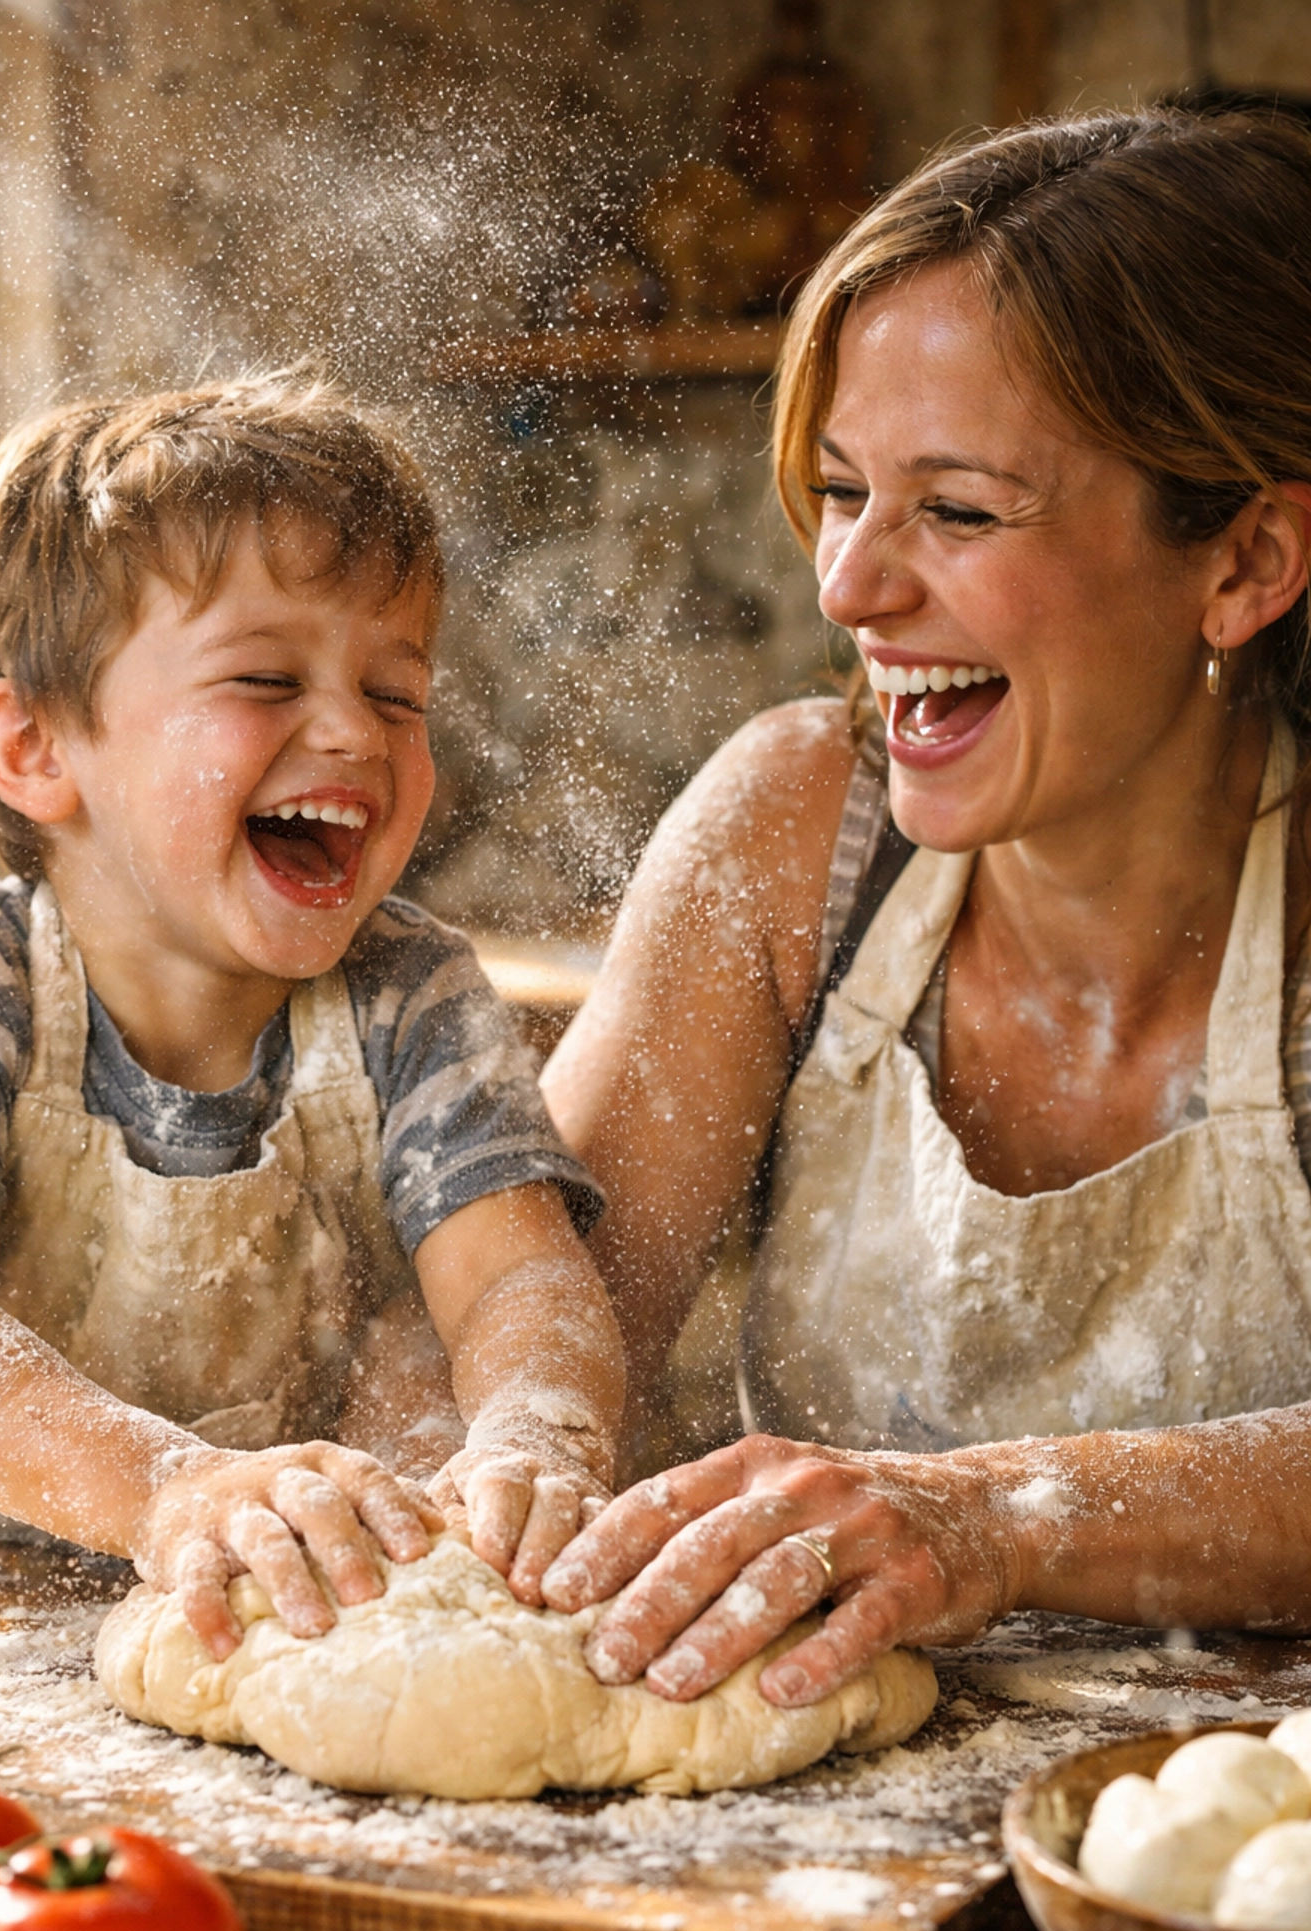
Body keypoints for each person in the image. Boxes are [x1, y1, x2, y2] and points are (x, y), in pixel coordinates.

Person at [539, 106, 1311, 1712]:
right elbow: (540, 1319)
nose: (849, 589)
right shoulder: (789, 836)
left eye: (956, 511)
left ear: (1243, 560)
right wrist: (486, 1463)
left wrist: (995, 1518)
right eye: (840, 491)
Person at [0, 377, 623, 1659]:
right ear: (36, 749)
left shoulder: (413, 995)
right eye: (267, 678)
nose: (353, 730)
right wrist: (165, 1486)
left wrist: (535, 1436)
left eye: (397, 693)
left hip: (271, 1633)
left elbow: (515, 1275)